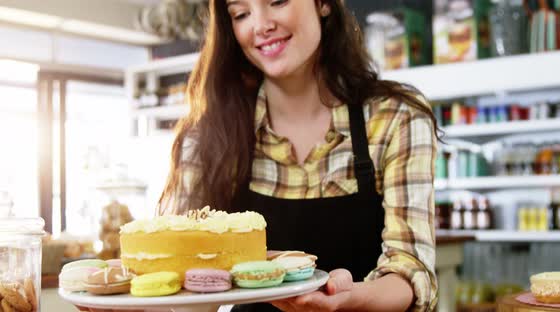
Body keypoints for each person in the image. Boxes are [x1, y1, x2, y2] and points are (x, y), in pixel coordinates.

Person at [80, 0, 439, 311]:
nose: (260, 25)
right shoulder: (209, 135)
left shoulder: (396, 117)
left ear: (324, 3)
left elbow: (410, 271)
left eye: (278, 1)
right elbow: (186, 280)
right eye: (240, 13)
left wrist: (345, 299)